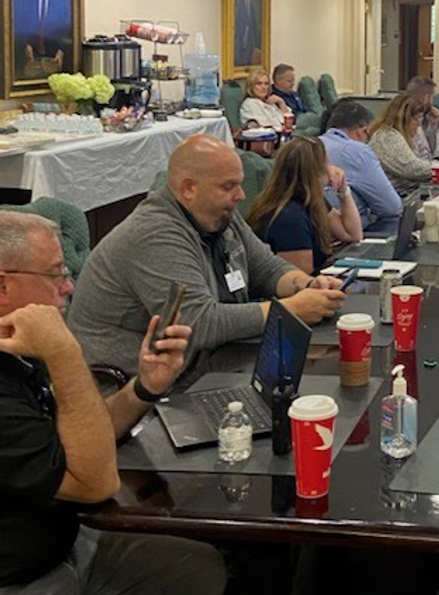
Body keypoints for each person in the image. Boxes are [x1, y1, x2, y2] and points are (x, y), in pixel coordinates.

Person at [0, 210, 225, 595]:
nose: (68, 286)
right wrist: (67, 353)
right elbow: (93, 479)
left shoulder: (14, 345)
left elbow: (79, 445)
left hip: (57, 551)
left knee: (192, 573)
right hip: (8, 593)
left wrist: (145, 389)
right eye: (55, 275)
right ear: (1, 285)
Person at [65, 135, 344, 384]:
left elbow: (267, 268)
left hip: (204, 364)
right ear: (189, 188)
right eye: (228, 186)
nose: (241, 195)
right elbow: (199, 323)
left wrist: (308, 286)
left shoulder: (221, 215)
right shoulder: (154, 234)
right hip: (134, 387)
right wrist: (292, 308)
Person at [246, 137, 362, 275]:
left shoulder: (309, 200)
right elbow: (301, 280)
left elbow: (352, 234)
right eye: (325, 163)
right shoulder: (289, 219)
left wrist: (343, 190)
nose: (330, 169)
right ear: (315, 172)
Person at [319, 98, 402, 231]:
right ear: (361, 131)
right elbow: (392, 208)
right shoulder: (358, 151)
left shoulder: (312, 145)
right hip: (341, 235)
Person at [368, 93, 439, 195]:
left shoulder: (404, 135)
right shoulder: (387, 137)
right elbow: (412, 168)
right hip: (399, 195)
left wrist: (432, 127)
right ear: (403, 118)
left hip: (408, 191)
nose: (419, 123)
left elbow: (426, 158)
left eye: (420, 118)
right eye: (416, 118)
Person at [239, 68, 287, 133]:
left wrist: (281, 102)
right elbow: (264, 128)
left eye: (266, 84)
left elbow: (288, 120)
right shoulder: (250, 104)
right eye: (259, 84)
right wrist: (283, 128)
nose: (264, 87)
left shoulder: (270, 102)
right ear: (251, 86)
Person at [406, 76, 439, 157]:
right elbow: (425, 154)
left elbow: (429, 152)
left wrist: (432, 125)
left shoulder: (423, 118)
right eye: (432, 97)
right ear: (427, 97)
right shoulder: (410, 121)